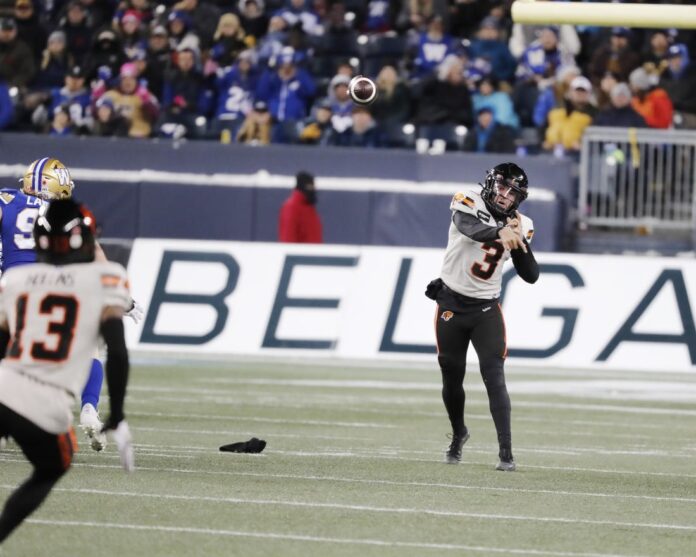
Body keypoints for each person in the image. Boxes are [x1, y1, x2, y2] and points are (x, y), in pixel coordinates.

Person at [0, 198, 134, 545]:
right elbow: (117, 353)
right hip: (44, 404)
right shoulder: (107, 278)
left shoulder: (16, 278)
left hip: (4, 386)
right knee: (53, 466)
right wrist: (117, 414)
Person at [0, 158, 143, 451]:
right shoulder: (67, 214)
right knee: (89, 348)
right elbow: (96, 256)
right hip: (56, 292)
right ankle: (89, 407)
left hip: (13, 288)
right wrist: (125, 300)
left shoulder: (6, 199)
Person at [425, 162, 539, 471]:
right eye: (502, 187)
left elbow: (531, 275)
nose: (504, 196)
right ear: (490, 184)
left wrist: (520, 243)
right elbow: (469, 228)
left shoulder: (522, 224)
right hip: (451, 302)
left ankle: (506, 453)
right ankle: (458, 432)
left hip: (486, 309)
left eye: (512, 193)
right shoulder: (467, 200)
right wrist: (500, 232)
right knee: (452, 375)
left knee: (494, 376)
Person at [278, 171, 322, 243]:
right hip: (298, 250)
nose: (313, 190)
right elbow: (287, 237)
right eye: (310, 186)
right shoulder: (291, 207)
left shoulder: (310, 208)